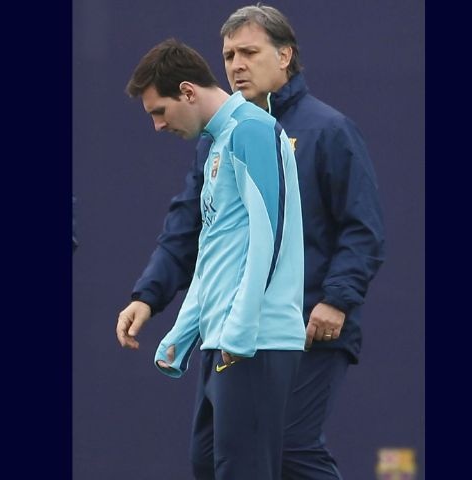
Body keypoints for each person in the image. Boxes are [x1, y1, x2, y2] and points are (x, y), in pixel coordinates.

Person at [117, 4, 386, 478]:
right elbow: (192, 229)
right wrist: (150, 294)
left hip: (304, 323)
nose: (237, 64)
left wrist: (336, 299)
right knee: (222, 458)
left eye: (249, 52)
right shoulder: (219, 138)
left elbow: (361, 228)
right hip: (236, 323)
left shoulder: (326, 130)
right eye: (228, 54)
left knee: (290, 450)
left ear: (286, 56)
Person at [119, 38, 307, 480]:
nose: (158, 127)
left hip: (254, 341)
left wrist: (239, 334)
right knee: (209, 466)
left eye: (159, 112)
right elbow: (214, 254)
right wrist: (183, 333)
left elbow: (269, 236)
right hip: (225, 341)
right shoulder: (220, 142)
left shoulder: (252, 129)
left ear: (187, 92)